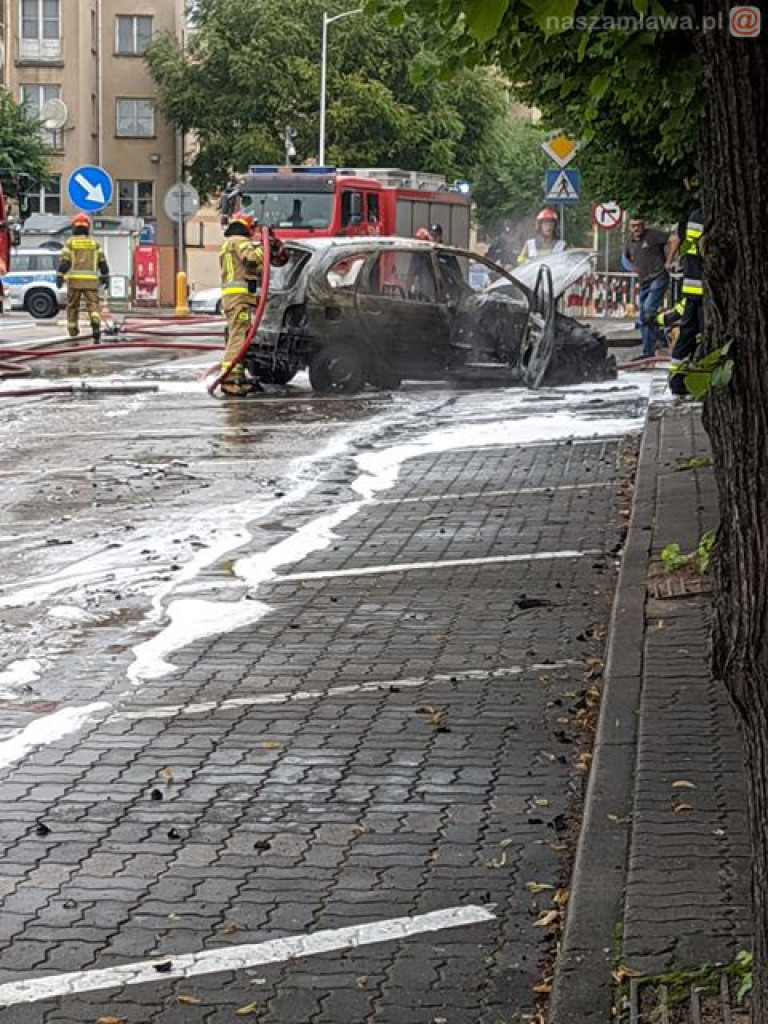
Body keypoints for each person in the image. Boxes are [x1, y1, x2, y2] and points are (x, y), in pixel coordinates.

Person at [218, 213, 287, 397]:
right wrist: (265, 246)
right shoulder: (240, 241)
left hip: (236, 299)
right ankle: (230, 380)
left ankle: (237, 378)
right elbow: (251, 258)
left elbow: (250, 268)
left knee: (240, 337)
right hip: (239, 299)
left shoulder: (229, 243)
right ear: (246, 227)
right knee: (238, 339)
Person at [663, 190, 705, 395]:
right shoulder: (703, 217)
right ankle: (693, 382)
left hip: (692, 288)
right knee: (703, 335)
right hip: (702, 289)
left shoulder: (692, 217)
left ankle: (677, 382)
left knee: (688, 335)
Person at [624, 214, 672, 359]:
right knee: (643, 318)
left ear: (643, 225)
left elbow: (675, 239)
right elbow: (626, 258)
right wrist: (633, 266)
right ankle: (648, 352)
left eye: (638, 225)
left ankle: (662, 339)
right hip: (644, 282)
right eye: (633, 226)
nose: (636, 228)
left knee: (648, 312)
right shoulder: (630, 242)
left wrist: (669, 261)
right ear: (629, 227)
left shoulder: (653, 235)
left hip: (658, 278)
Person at [56, 214, 109, 343]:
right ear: (87, 227)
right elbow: (102, 263)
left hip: (74, 282)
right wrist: (105, 276)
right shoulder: (94, 244)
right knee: (93, 305)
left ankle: (73, 331)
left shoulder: (70, 243)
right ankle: (95, 325)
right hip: (91, 282)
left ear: (74, 227)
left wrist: (60, 275)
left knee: (73, 306)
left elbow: (65, 262)